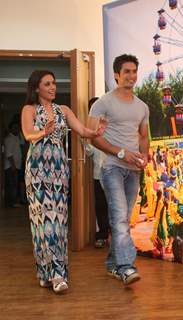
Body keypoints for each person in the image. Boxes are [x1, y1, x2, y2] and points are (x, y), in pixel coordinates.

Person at [21, 70, 106, 293]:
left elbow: (82, 131)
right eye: (47, 84)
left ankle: (58, 274)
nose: (52, 87)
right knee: (41, 223)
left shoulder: (64, 110)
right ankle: (45, 272)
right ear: (36, 87)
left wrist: (96, 132)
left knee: (58, 223)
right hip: (38, 170)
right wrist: (43, 131)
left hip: (59, 171)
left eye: (54, 83)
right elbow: (28, 135)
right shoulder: (29, 110)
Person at [88, 54, 150, 286]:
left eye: (134, 71)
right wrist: (121, 152)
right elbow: (93, 138)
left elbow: (143, 136)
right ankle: (126, 267)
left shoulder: (142, 107)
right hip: (112, 167)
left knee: (122, 218)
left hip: (133, 170)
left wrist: (144, 155)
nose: (131, 76)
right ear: (116, 75)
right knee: (119, 219)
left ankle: (113, 264)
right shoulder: (102, 103)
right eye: (126, 72)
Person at [83, 97, 110, 248]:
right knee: (100, 206)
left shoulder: (112, 126)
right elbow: (89, 153)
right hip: (98, 174)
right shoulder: (90, 130)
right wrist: (85, 140)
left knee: (114, 206)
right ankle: (103, 235)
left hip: (113, 173)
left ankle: (117, 237)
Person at [3, 121, 22, 208]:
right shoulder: (9, 139)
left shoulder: (16, 138)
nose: (16, 129)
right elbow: (8, 154)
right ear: (10, 129)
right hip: (11, 166)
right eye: (14, 127)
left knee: (15, 184)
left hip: (16, 166)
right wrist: (13, 166)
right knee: (12, 185)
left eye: (17, 127)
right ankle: (12, 203)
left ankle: (13, 202)